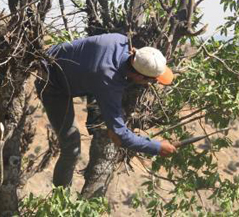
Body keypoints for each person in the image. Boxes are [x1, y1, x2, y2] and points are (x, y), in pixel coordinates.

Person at [35, 33, 178, 188]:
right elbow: (120, 136)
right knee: (71, 147)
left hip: (59, 59)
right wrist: (157, 147)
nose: (151, 84)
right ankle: (60, 200)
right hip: (51, 82)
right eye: (151, 80)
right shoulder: (108, 81)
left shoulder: (120, 40)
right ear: (138, 75)